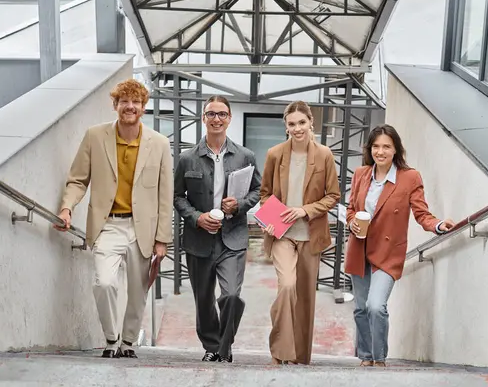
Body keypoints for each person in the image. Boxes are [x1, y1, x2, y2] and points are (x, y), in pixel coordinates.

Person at [55, 79, 174, 358]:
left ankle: (129, 342)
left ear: (143, 107)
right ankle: (111, 338)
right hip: (107, 224)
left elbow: (165, 194)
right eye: (124, 102)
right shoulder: (95, 136)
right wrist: (67, 207)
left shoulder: (159, 143)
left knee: (137, 290)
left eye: (135, 102)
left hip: (142, 228)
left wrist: (162, 239)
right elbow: (77, 180)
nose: (129, 107)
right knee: (104, 282)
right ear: (115, 105)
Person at [345, 124, 455, 367]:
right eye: (376, 146)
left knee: (376, 306)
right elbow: (351, 209)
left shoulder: (409, 177)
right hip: (359, 248)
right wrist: (352, 221)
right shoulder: (361, 174)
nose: (380, 151)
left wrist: (438, 225)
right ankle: (365, 357)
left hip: (387, 252)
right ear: (370, 149)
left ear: (396, 150)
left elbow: (421, 213)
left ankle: (379, 358)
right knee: (361, 308)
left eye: (386, 146)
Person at [173, 95, 261, 363]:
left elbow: (258, 191)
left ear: (229, 118)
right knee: (203, 299)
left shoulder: (245, 155)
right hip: (198, 240)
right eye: (211, 114)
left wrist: (238, 206)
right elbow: (177, 196)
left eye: (222, 114)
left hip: (232, 239)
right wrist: (197, 217)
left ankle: (225, 345)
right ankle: (212, 347)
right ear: (203, 118)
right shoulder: (188, 158)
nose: (216, 119)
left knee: (232, 295)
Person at [259, 100, 341, 365]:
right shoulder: (274, 154)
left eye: (301, 123)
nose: (297, 129)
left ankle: (300, 358)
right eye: (292, 124)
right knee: (287, 287)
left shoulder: (324, 155)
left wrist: (304, 210)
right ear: (286, 126)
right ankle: (280, 351)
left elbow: (333, 196)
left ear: (310, 123)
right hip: (282, 234)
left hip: (311, 235)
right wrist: (269, 219)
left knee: (305, 299)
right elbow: (265, 195)